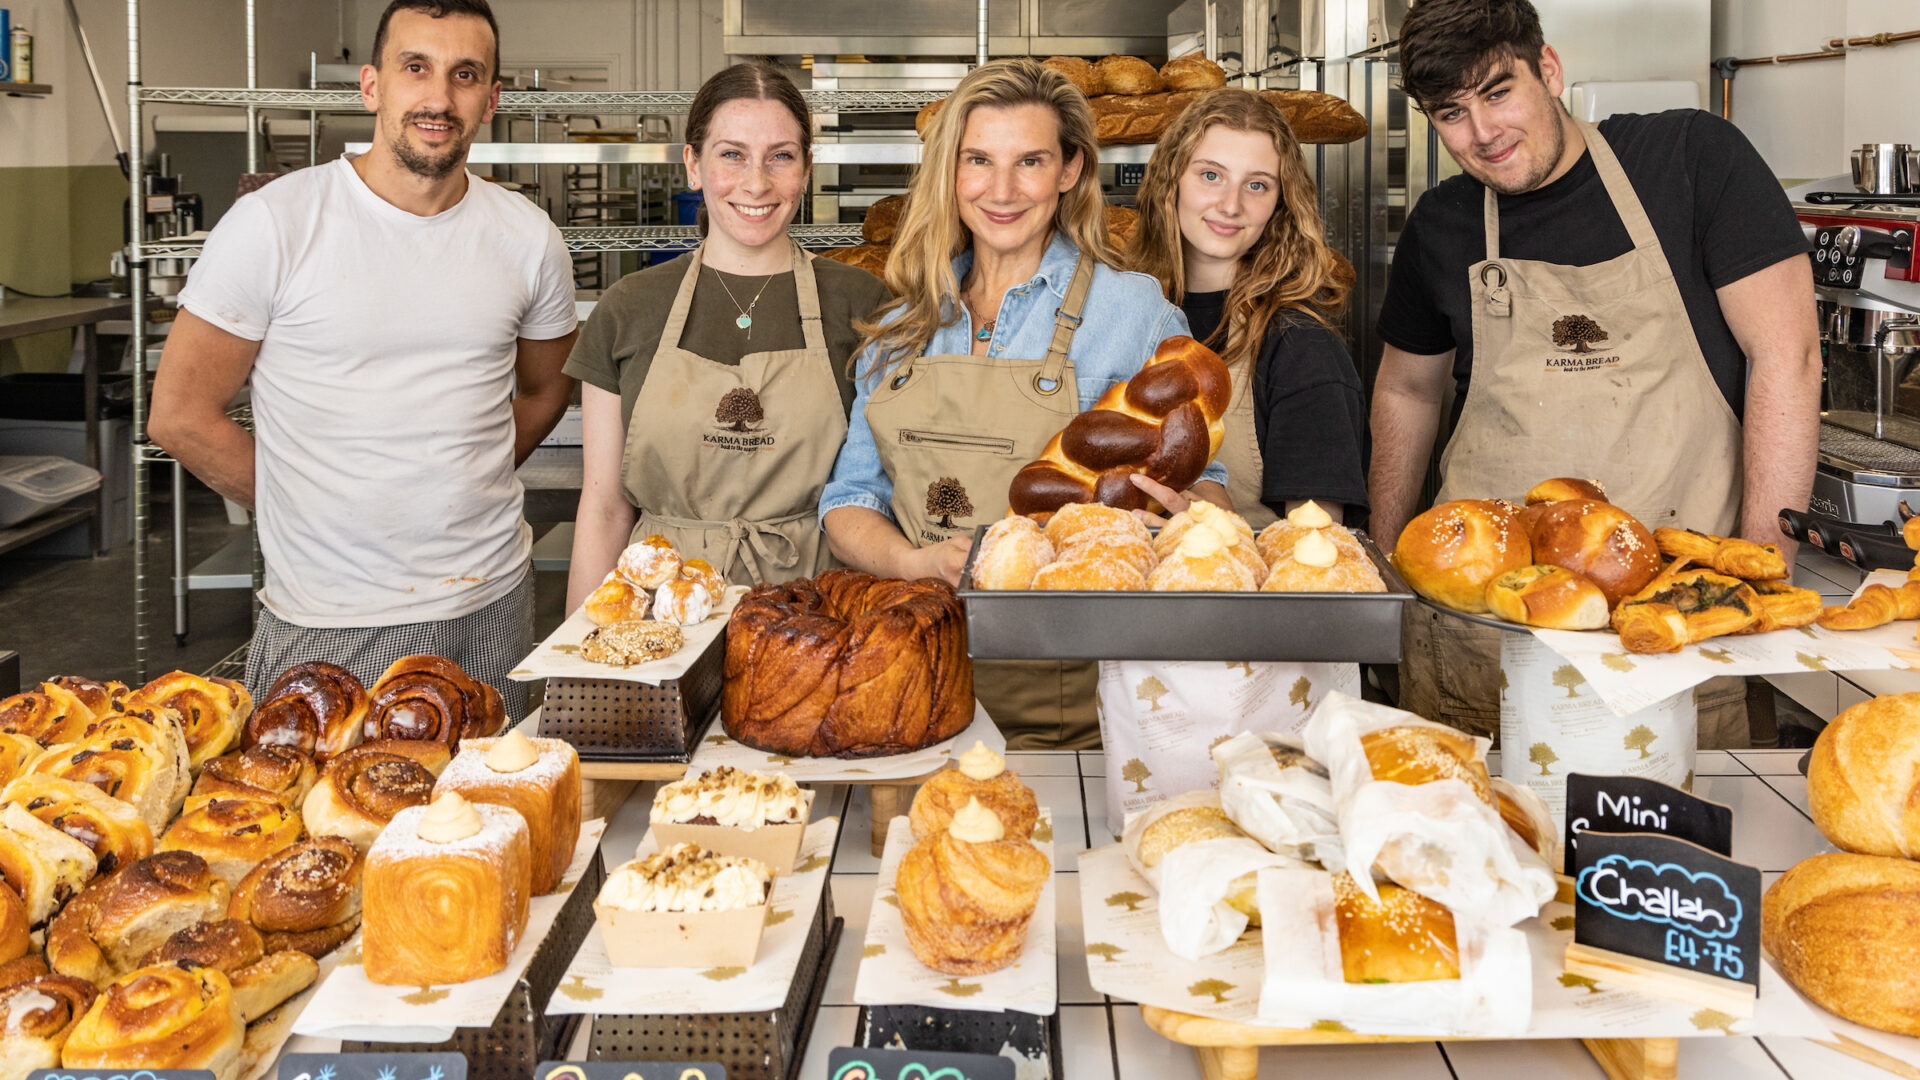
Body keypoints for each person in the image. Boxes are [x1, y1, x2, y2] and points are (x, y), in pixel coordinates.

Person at [1367, 0, 1821, 743]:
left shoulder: (1689, 160)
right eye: (1450, 113)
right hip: (1484, 641)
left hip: (1674, 635)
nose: (1482, 134)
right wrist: (1385, 573)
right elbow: (1405, 388)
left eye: (1498, 92)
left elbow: (1790, 359)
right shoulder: (1442, 223)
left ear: (1548, 69)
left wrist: (1754, 580)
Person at [148, 0, 578, 718]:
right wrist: (304, 509)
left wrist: (462, 480)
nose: (439, 98)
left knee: (491, 817)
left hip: (492, 601)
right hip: (330, 616)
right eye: (417, 68)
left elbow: (543, 392)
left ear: (492, 100)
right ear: (373, 86)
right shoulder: (276, 224)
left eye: (464, 75)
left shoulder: (527, 239)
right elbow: (180, 415)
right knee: (328, 823)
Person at [818, 57, 1218, 750]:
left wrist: (1188, 517)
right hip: (910, 689)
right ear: (951, 172)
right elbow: (848, 502)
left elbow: (1205, 494)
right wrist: (915, 564)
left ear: (1070, 170)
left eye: (1030, 161)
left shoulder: (1132, 313)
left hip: (1076, 714)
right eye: (979, 160)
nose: (1001, 190)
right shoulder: (901, 325)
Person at [564, 64, 890, 607]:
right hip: (658, 614)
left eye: (781, 156)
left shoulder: (863, 303)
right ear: (693, 164)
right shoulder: (629, 307)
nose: (756, 182)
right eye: (731, 154)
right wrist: (578, 656)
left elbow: (881, 491)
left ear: (806, 169)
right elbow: (604, 508)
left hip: (816, 610)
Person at [1128, 86, 1366, 530]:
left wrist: (1218, 533)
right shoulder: (1120, 315)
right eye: (1211, 175)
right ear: (1171, 179)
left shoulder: (1302, 348)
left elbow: (1317, 560)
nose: (1231, 204)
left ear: (1279, 203)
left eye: (1256, 185)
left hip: (1233, 595)